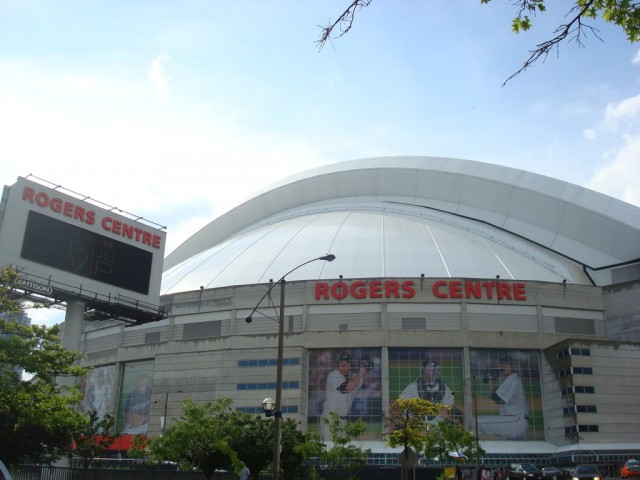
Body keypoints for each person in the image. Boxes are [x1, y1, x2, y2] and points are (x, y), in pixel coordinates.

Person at [476, 354, 529, 440]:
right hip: (513, 423)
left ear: (512, 366)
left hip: (515, 422)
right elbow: (498, 398)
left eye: (507, 363)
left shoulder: (512, 379)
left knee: (476, 422)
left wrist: (491, 381)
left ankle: (471, 449)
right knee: (511, 451)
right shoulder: (511, 379)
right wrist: (492, 382)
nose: (503, 366)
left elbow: (498, 398)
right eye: (501, 364)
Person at [320, 352, 370, 440]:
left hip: (343, 420)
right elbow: (347, 388)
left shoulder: (354, 379)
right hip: (330, 419)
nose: (343, 364)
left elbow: (365, 383)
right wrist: (362, 371)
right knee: (329, 448)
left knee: (343, 450)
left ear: (350, 366)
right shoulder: (333, 375)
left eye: (346, 362)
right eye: (341, 362)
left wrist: (366, 367)